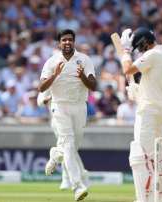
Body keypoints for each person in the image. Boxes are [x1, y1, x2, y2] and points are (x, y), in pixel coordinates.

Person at [38, 29, 96, 201]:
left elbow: (93, 85)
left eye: (70, 40)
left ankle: (56, 154)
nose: (67, 42)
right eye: (64, 40)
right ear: (59, 43)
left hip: (79, 107)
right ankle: (78, 187)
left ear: (74, 41)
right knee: (69, 144)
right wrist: (55, 75)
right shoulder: (51, 62)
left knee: (73, 147)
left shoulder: (84, 60)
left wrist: (83, 77)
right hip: (60, 107)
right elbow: (41, 88)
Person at [119, 27, 162, 202]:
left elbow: (127, 69)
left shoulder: (153, 54)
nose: (139, 51)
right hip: (157, 109)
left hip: (149, 111)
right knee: (154, 157)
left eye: (139, 48)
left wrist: (125, 51)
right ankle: (157, 197)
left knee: (140, 155)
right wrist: (138, 92)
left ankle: (144, 198)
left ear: (144, 43)